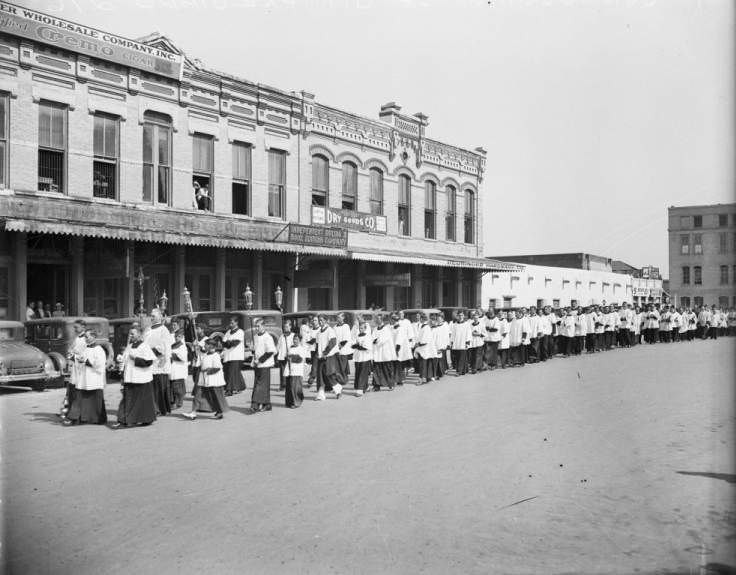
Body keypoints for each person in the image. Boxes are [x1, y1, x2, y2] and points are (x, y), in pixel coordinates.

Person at [114, 324, 156, 428]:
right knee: (128, 399)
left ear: (140, 334)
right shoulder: (129, 346)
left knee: (142, 401)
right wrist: (121, 359)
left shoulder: (144, 346)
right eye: (130, 334)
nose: (131, 336)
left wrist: (135, 359)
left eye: (133, 334)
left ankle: (145, 419)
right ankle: (124, 419)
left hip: (141, 378)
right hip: (130, 377)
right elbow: (125, 359)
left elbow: (149, 362)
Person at [64, 329, 107, 425]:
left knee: (96, 400)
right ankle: (76, 419)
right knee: (79, 399)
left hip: (94, 378)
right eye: (85, 337)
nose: (85, 339)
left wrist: (86, 362)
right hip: (83, 378)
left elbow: (100, 365)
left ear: (94, 337)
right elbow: (81, 359)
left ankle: (97, 419)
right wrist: (73, 358)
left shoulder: (99, 349)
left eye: (87, 337)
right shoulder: (86, 348)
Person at [183, 338, 229, 420]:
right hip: (203, 379)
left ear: (211, 346)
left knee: (216, 396)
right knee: (198, 394)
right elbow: (200, 359)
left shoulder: (216, 356)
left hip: (214, 380)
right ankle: (193, 412)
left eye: (206, 344)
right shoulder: (205, 354)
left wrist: (208, 371)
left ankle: (219, 411)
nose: (204, 346)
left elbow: (217, 368)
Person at [146, 309, 172, 416]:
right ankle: (153, 407)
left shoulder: (163, 329)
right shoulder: (148, 329)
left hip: (159, 360)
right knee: (151, 386)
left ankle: (161, 408)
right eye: (151, 316)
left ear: (160, 317)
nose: (152, 318)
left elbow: (165, 346)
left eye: (154, 316)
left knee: (159, 386)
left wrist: (155, 351)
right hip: (149, 360)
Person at [60, 319, 87, 419]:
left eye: (77, 327)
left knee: (77, 390)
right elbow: (72, 348)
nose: (75, 329)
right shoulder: (77, 337)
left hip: (81, 367)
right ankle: (67, 411)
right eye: (74, 327)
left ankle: (76, 413)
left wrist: (73, 355)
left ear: (83, 327)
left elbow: (83, 353)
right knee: (71, 390)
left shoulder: (85, 338)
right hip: (75, 366)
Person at [314, 315, 342, 400]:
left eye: (321, 320)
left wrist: (325, 352)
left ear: (326, 321)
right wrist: (317, 354)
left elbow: (333, 342)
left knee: (329, 375)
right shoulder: (318, 332)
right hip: (320, 357)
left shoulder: (330, 331)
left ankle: (338, 389)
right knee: (320, 377)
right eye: (319, 320)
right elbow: (318, 345)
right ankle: (321, 395)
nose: (320, 322)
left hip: (328, 357)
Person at [251, 319, 276, 411]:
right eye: (256, 326)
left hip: (265, 364)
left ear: (264, 326)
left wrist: (260, 360)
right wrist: (253, 350)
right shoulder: (255, 336)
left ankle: (255, 404)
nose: (257, 328)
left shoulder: (268, 337)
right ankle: (267, 404)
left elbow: (270, 351)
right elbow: (256, 350)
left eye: (259, 326)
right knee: (259, 384)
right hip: (257, 364)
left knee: (261, 385)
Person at [371, 314, 396, 391]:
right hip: (377, 352)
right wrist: (374, 340)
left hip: (384, 352)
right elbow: (372, 338)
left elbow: (383, 339)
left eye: (378, 319)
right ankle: (376, 385)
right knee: (376, 369)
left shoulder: (386, 329)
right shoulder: (375, 329)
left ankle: (390, 384)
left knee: (386, 369)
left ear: (382, 320)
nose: (377, 320)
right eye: (376, 319)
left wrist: (376, 340)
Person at [222, 316, 246, 396]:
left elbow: (234, 343)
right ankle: (240, 387)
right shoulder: (228, 332)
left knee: (232, 373)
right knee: (232, 372)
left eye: (232, 323)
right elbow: (224, 342)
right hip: (228, 355)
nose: (231, 324)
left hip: (236, 355)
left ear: (236, 323)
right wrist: (228, 342)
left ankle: (229, 390)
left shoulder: (240, 332)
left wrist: (228, 342)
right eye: (230, 322)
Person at [284, 332, 306, 408]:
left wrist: (291, 357)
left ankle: (297, 402)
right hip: (290, 370)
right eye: (294, 339)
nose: (295, 341)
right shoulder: (290, 348)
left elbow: (300, 359)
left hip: (297, 371)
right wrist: (287, 356)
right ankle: (290, 402)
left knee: (295, 387)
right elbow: (287, 357)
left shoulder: (302, 349)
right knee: (290, 387)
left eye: (296, 339)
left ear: (299, 340)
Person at [414, 312, 437, 385]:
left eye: (419, 317)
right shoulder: (423, 327)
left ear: (421, 319)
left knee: (423, 365)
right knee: (426, 364)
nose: (418, 319)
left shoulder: (426, 327)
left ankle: (422, 379)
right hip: (424, 348)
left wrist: (419, 344)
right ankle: (427, 377)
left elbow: (425, 340)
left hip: (424, 349)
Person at [351, 319, 373, 396]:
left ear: (365, 328)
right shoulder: (357, 336)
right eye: (360, 328)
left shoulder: (368, 336)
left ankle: (360, 390)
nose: (361, 329)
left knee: (362, 373)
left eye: (362, 328)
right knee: (358, 372)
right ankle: (366, 387)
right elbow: (353, 345)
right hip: (357, 357)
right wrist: (356, 346)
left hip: (365, 357)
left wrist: (358, 346)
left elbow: (367, 347)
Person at [169, 329, 188, 409]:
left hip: (179, 369)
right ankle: (173, 402)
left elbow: (183, 357)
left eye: (179, 336)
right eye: (176, 336)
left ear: (182, 337)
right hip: (172, 368)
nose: (177, 338)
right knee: (172, 387)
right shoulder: (173, 345)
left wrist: (172, 355)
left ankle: (179, 402)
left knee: (178, 388)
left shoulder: (182, 346)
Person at [449, 310, 471, 375]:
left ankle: (459, 371)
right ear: (457, 316)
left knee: (462, 357)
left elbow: (468, 333)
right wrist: (452, 342)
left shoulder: (466, 324)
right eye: (459, 315)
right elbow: (453, 334)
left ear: (464, 316)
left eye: (462, 315)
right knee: (459, 357)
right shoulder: (455, 324)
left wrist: (467, 342)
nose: (460, 317)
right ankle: (464, 370)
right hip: (456, 343)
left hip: (463, 342)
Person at [334, 313, 353, 388]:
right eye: (337, 317)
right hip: (337, 349)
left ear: (343, 318)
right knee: (339, 364)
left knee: (342, 365)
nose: (338, 319)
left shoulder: (346, 326)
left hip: (343, 349)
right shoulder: (335, 327)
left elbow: (346, 337)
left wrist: (341, 345)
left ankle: (342, 380)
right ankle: (343, 379)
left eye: (339, 317)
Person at [433, 312, 451, 378]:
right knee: (440, 358)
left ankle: (443, 370)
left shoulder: (445, 325)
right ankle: (441, 371)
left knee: (443, 358)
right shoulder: (436, 325)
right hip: (438, 343)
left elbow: (447, 334)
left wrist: (447, 343)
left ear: (442, 318)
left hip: (444, 343)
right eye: (437, 318)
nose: (438, 319)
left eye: (439, 318)